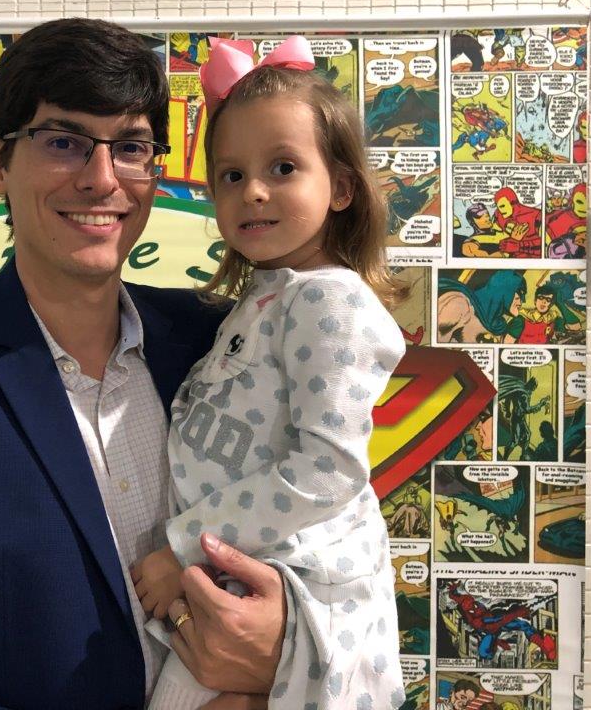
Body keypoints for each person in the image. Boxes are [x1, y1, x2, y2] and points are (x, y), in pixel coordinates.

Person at [0, 18, 289, 710]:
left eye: (131, 148)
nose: (102, 180)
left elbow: (321, 544)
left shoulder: (219, 342)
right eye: (63, 142)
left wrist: (290, 643)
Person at [130, 37, 407, 710]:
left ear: (341, 187)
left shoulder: (329, 301)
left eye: (283, 167)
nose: (253, 190)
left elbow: (327, 469)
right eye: (231, 175)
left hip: (292, 582)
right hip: (248, 571)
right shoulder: (267, 298)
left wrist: (181, 546)